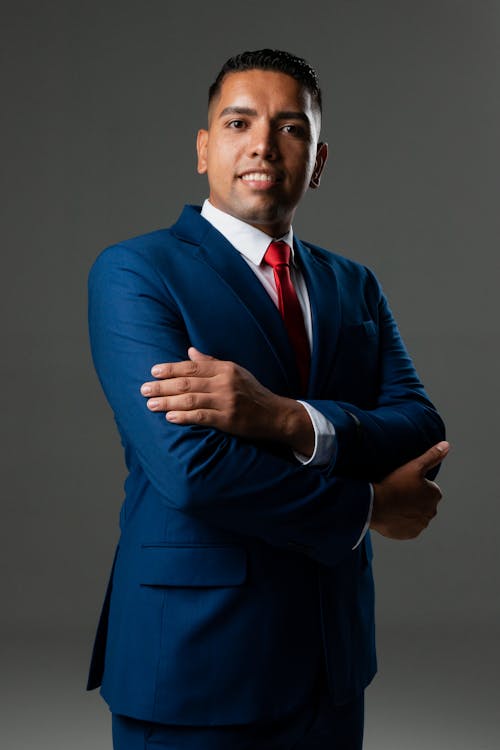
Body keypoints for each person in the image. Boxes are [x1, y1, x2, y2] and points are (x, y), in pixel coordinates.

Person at [87, 49, 448, 750]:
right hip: (194, 658)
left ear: (316, 160)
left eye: (290, 127)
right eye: (238, 122)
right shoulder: (136, 272)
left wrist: (283, 417)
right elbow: (190, 471)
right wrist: (369, 506)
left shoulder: (355, 285)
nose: (262, 144)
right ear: (203, 149)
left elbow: (417, 425)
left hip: (331, 656)